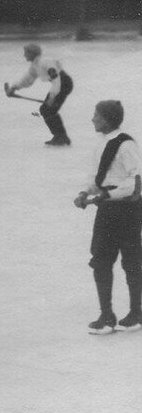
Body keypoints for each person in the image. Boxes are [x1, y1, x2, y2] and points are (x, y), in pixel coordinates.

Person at [73, 100, 142, 334]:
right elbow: (97, 177)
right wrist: (85, 192)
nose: (93, 119)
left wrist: (108, 195)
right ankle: (107, 315)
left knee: (131, 262)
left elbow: (135, 183)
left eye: (96, 115)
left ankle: (137, 313)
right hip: (107, 210)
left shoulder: (125, 144)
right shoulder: (101, 143)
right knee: (101, 260)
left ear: (108, 119)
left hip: (127, 210)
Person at [6, 43, 73, 146]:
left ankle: (61, 137)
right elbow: (28, 79)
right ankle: (61, 136)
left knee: (47, 109)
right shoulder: (35, 65)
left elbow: (56, 80)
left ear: (32, 53)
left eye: (26, 53)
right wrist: (14, 87)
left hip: (63, 84)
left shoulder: (44, 62)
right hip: (59, 85)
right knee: (47, 110)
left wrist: (52, 96)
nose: (24, 55)